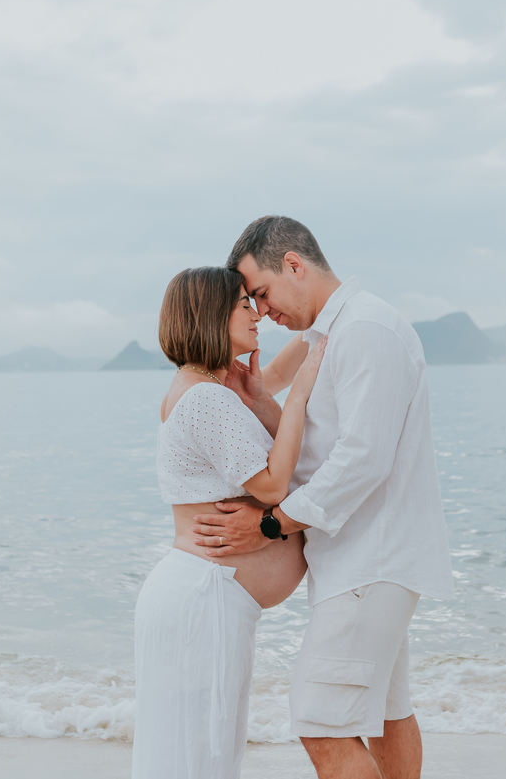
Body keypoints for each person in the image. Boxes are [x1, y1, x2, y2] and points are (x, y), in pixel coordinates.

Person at [191, 216, 454, 779]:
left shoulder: (365, 330)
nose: (262, 312)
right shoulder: (334, 332)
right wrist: (259, 396)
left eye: (260, 294)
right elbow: (316, 443)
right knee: (385, 715)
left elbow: (362, 460)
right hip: (365, 562)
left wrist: (270, 525)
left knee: (319, 723)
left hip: (371, 562)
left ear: (294, 265)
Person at [132, 266, 326, 779]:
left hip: (207, 599)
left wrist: (264, 395)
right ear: (210, 315)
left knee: (203, 754)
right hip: (204, 601)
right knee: (199, 757)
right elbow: (271, 486)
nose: (256, 312)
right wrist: (299, 396)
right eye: (244, 303)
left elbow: (281, 459)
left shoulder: (205, 390)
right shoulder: (205, 397)